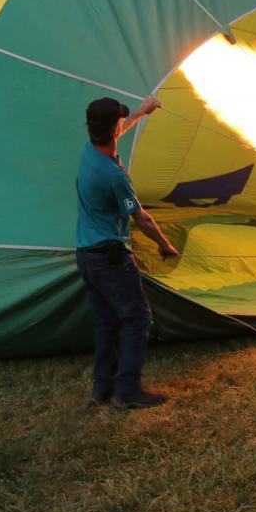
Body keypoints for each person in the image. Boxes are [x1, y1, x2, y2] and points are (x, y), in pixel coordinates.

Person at [76, 95, 180, 410]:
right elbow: (143, 219)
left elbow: (115, 132)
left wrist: (141, 112)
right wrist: (165, 245)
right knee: (137, 318)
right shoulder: (114, 176)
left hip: (85, 256)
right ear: (114, 127)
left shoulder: (89, 152)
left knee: (107, 322)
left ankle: (102, 390)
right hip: (110, 258)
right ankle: (128, 391)